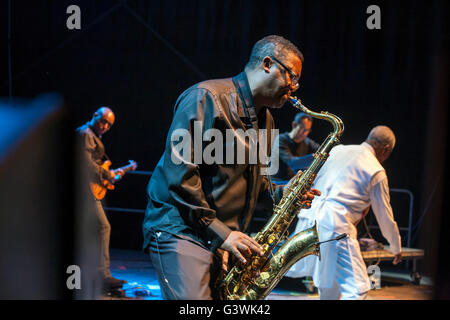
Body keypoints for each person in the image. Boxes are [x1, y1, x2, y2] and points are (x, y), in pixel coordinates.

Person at [143, 35, 320, 300]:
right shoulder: (204, 98)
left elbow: (260, 184)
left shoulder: (268, 121)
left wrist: (284, 193)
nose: (294, 87)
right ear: (268, 64)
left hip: (221, 238)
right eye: (292, 77)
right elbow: (179, 177)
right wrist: (221, 233)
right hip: (180, 230)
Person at [286, 125, 402, 300]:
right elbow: (384, 215)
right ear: (386, 149)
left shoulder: (338, 150)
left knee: (330, 287)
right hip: (335, 226)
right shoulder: (376, 170)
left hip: (308, 221)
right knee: (357, 288)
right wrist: (396, 247)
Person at [76, 107, 127, 292]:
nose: (105, 126)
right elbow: (86, 163)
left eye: (109, 124)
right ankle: (102, 275)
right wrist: (106, 173)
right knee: (103, 226)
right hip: (84, 189)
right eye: (103, 121)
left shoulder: (88, 135)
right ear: (94, 115)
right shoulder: (86, 134)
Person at [271, 112, 319, 181]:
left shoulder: (308, 142)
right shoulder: (280, 139)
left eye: (307, 130)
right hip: (277, 183)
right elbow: (292, 163)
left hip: (292, 182)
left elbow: (321, 149)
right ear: (294, 125)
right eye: (302, 128)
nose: (304, 133)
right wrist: (313, 158)